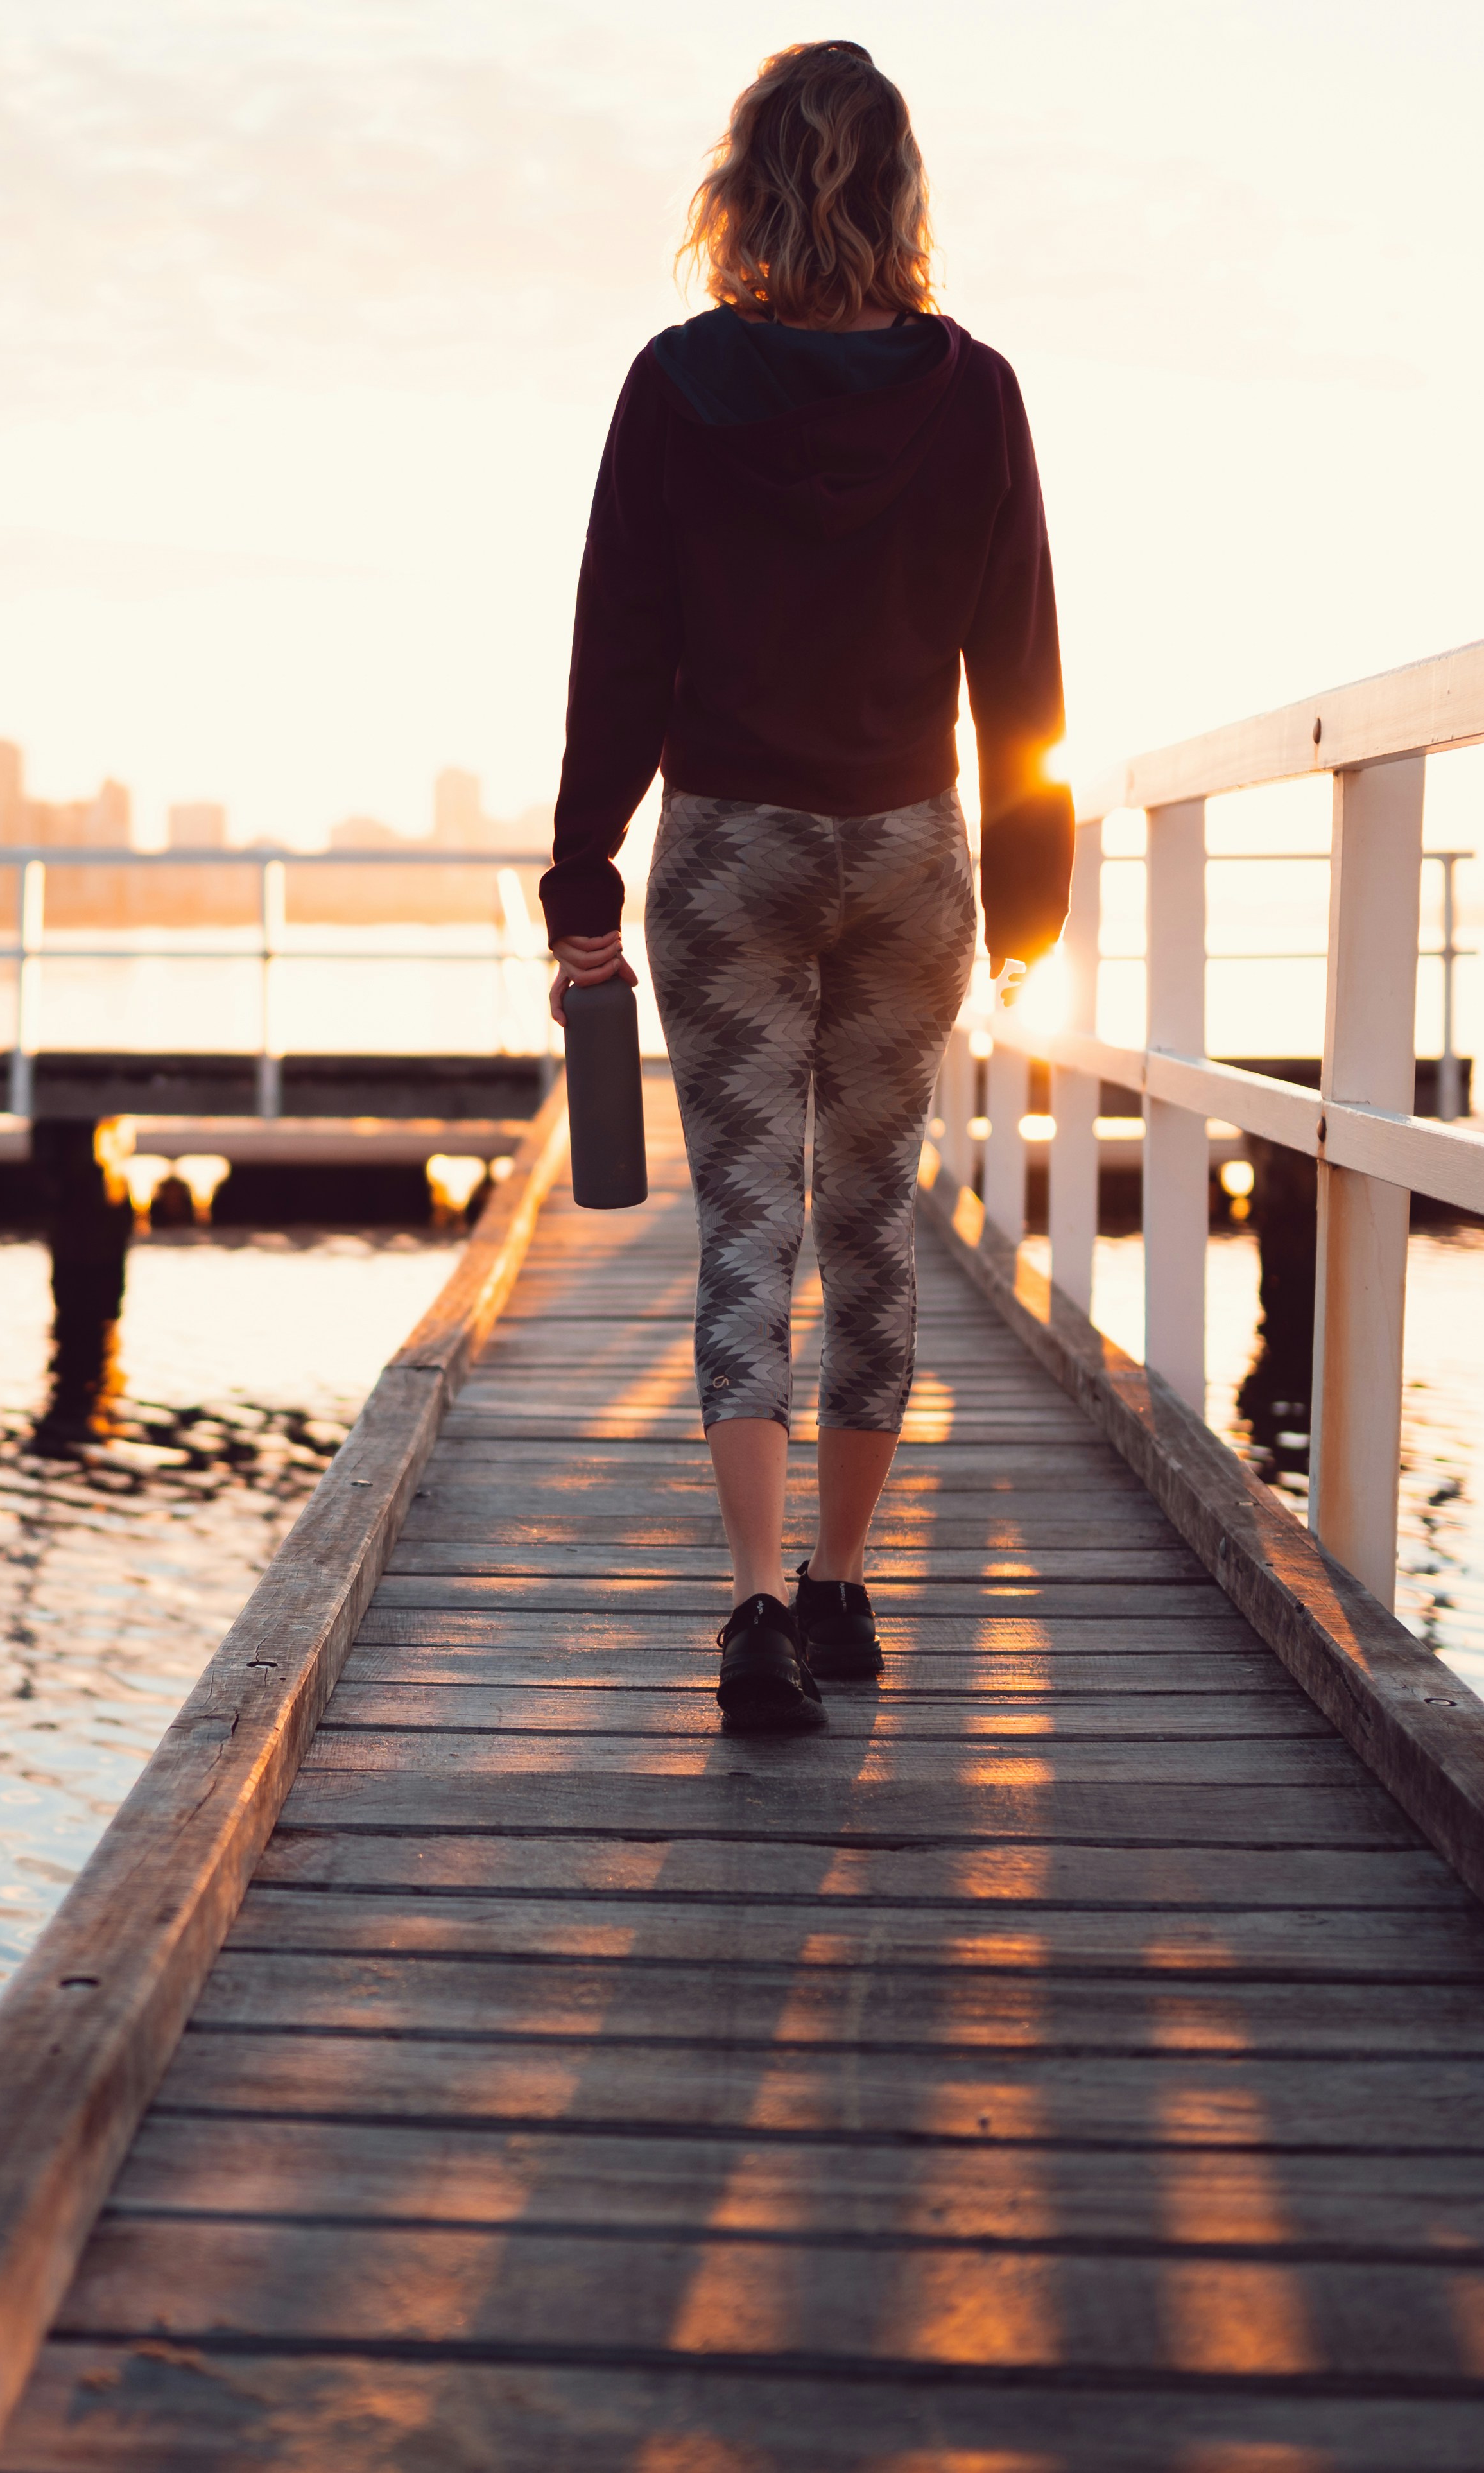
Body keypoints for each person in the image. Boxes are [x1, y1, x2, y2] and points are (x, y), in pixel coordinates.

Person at [542, 38, 1071, 1735]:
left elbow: (617, 649)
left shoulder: (676, 384)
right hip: (909, 846)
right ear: (902, 190)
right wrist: (1037, 880)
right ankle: (847, 1585)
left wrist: (579, 867)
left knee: (748, 1226)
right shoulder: (971, 389)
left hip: (726, 853)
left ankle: (755, 1604)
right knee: (876, 1216)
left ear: (742, 184)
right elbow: (1021, 653)